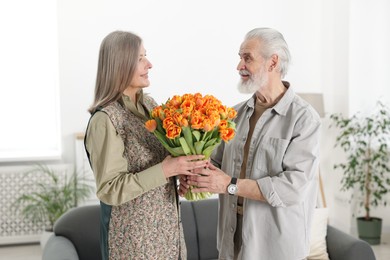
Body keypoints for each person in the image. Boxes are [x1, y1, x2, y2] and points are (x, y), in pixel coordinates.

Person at [180, 28, 321, 260]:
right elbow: (216, 164)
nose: (239, 66)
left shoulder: (304, 119)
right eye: (239, 57)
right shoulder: (233, 115)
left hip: (276, 248)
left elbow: (293, 187)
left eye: (247, 58)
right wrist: (194, 178)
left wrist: (230, 185)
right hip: (231, 241)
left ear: (272, 62)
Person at [84, 30, 207, 260]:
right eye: (140, 58)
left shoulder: (150, 105)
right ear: (120, 63)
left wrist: (178, 175)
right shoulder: (106, 120)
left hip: (169, 238)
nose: (149, 64)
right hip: (133, 244)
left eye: (145, 56)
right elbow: (109, 189)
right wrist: (166, 170)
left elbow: (159, 165)